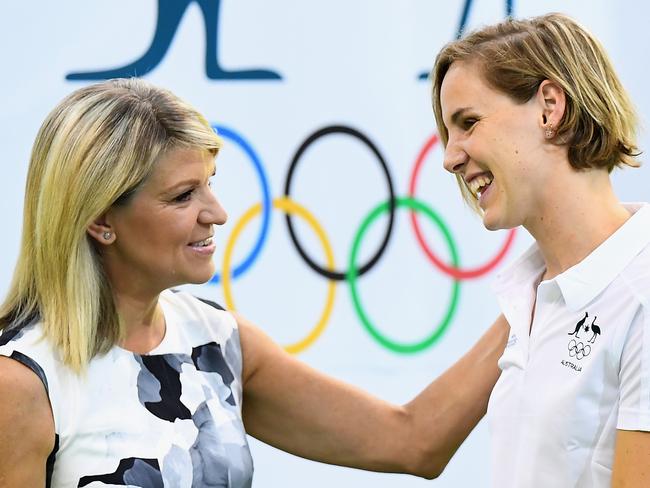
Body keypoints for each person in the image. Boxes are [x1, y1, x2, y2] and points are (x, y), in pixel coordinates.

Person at [0, 78, 508, 487]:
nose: (216, 213)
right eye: (183, 196)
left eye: (210, 185)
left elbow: (414, 441)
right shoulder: (20, 382)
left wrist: (542, 284)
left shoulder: (217, 340)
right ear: (101, 220)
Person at [431, 12, 650, 488]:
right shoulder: (529, 295)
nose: (449, 157)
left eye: (467, 122)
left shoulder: (642, 292)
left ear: (550, 107)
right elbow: (414, 437)